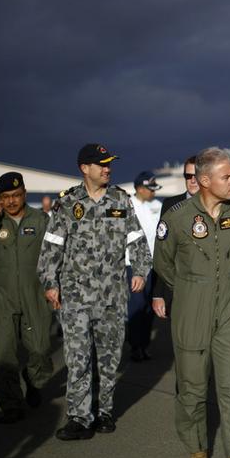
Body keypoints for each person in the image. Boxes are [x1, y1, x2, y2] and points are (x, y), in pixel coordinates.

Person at [153, 146, 230, 458]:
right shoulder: (176, 218)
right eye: (226, 176)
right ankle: (197, 452)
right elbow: (163, 263)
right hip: (190, 314)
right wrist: (192, 289)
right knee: (192, 389)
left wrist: (229, 283)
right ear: (204, 180)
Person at [38, 143, 151, 440]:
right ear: (84, 168)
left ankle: (104, 412)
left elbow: (137, 239)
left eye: (109, 164)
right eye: (101, 164)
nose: (107, 169)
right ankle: (78, 417)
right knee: (77, 359)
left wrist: (140, 270)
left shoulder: (121, 200)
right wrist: (50, 283)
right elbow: (51, 245)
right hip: (75, 295)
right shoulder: (67, 203)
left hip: (112, 295)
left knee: (109, 357)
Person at [0, 172, 53, 423]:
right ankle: (11, 404)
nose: (12, 201)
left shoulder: (40, 220)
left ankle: (34, 379)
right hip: (3, 300)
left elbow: (54, 255)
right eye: (6, 197)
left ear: (24, 194)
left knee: (40, 348)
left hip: (34, 297)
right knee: (4, 355)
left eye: (16, 195)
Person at [152, 155, 199, 319]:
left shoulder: (219, 206)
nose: (192, 180)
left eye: (197, 176)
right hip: (177, 287)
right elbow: (163, 252)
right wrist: (158, 294)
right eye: (188, 176)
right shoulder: (171, 205)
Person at [127, 171, 163, 361]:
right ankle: (135, 345)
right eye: (150, 189)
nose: (153, 192)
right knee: (137, 305)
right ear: (140, 189)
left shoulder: (157, 205)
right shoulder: (127, 205)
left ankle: (144, 344)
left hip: (154, 264)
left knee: (150, 306)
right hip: (132, 265)